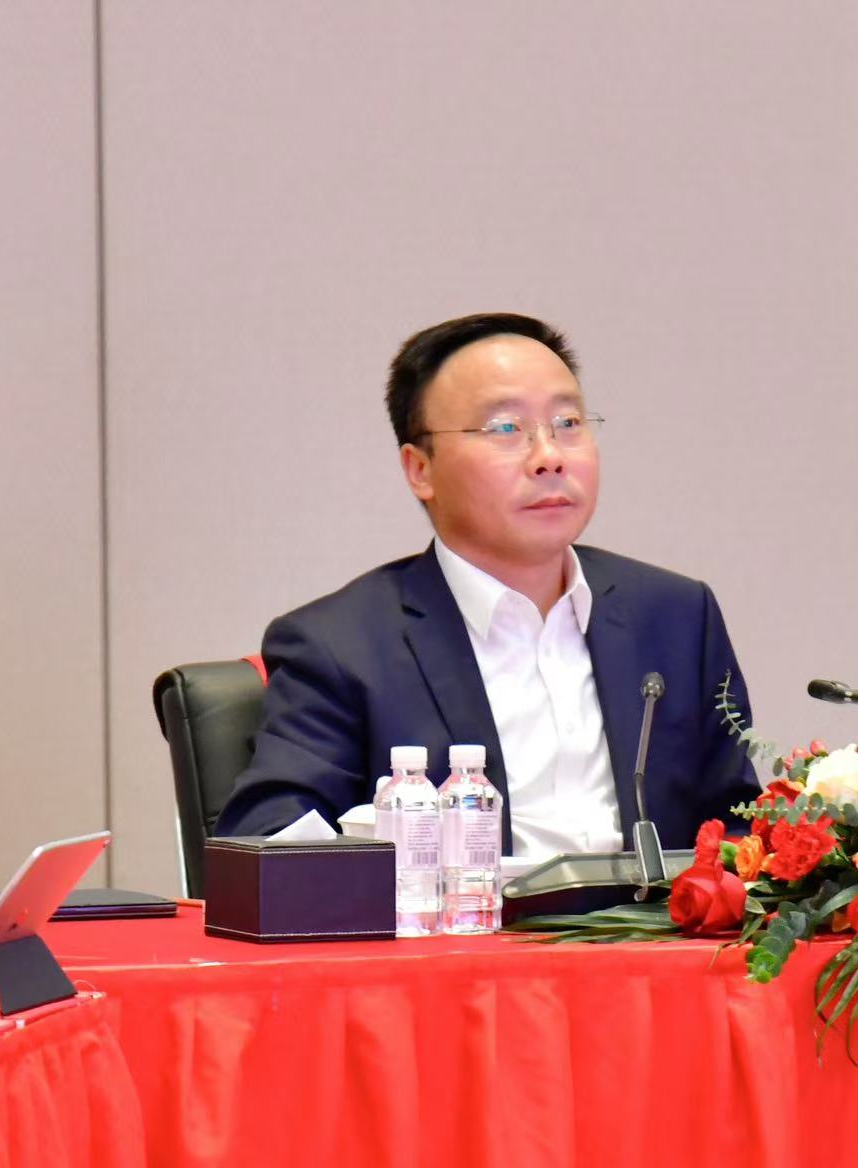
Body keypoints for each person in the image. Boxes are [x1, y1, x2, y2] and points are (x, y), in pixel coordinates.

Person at [217, 312, 759, 858]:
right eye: (505, 429)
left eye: (568, 423)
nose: (549, 457)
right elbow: (268, 844)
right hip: (461, 914)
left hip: (650, 916)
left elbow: (738, 827)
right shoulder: (341, 645)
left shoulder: (675, 616)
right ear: (420, 469)